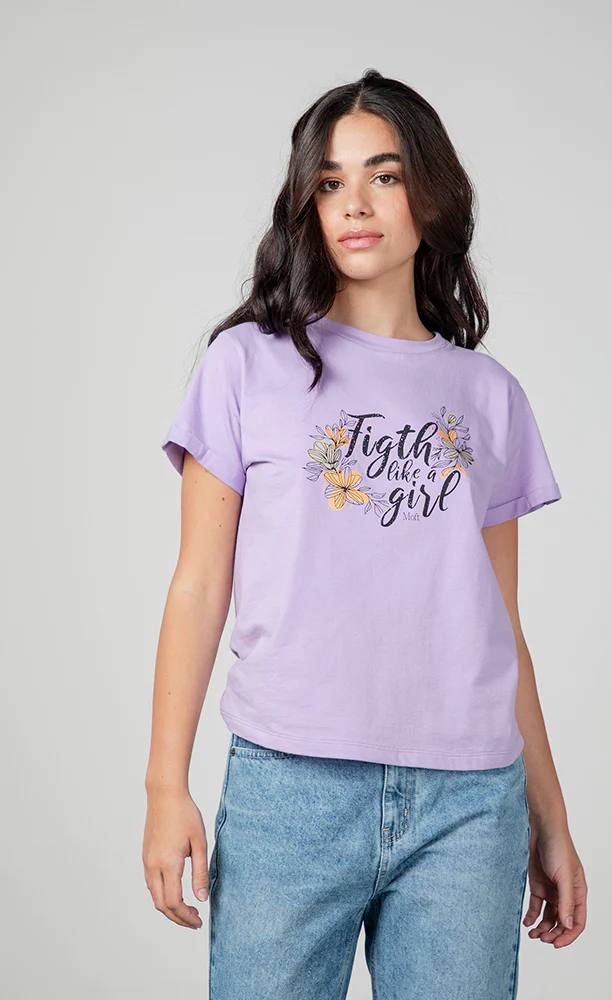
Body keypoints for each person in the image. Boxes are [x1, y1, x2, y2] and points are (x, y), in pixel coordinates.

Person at [143, 68, 587, 999]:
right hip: (290, 791)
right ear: (305, 204)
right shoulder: (246, 365)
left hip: (469, 804)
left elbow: (501, 625)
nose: (354, 203)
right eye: (329, 181)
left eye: (383, 176)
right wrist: (164, 785)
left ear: (432, 193)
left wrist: (548, 815)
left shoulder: (487, 395)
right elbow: (198, 586)